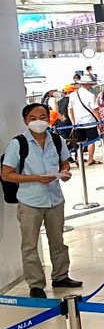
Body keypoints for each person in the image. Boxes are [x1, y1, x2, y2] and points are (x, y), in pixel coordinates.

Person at [2, 103, 79, 298]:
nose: (39, 121)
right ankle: (35, 284)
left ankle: (61, 276)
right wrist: (35, 178)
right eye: (33, 118)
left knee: (58, 240)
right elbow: (7, 174)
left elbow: (64, 161)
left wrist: (65, 171)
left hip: (54, 198)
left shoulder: (56, 139)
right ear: (26, 121)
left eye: (43, 117)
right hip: (30, 201)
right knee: (30, 245)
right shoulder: (18, 144)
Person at [68, 81, 100, 165]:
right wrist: (99, 120)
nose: (91, 86)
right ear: (86, 84)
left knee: (80, 142)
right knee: (91, 141)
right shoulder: (91, 95)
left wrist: (73, 122)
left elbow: (70, 109)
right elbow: (94, 109)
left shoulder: (72, 95)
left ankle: (79, 158)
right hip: (90, 121)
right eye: (90, 84)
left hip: (78, 122)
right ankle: (90, 159)